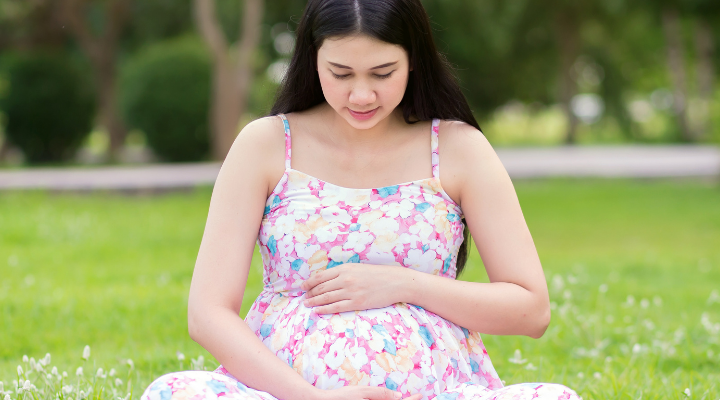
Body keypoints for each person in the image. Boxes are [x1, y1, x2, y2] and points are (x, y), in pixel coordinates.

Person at [141, 0, 581, 399]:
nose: (362, 95)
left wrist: (402, 285)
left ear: (414, 61)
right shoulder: (266, 144)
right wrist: (309, 398)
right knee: (170, 393)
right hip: (284, 396)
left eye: (383, 73)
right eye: (341, 73)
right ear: (312, 60)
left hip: (434, 393)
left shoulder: (458, 148)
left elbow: (531, 309)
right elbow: (207, 313)